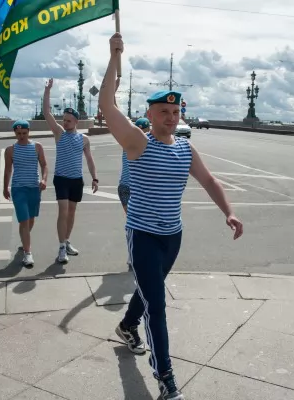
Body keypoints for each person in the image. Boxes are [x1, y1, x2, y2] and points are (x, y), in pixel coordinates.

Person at [99, 33, 244, 400]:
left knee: (150, 293)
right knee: (158, 307)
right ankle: (167, 382)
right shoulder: (137, 143)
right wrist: (115, 57)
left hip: (172, 237)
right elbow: (106, 103)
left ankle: (127, 326)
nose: (170, 117)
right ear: (149, 115)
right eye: (163, 112)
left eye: (175, 112)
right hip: (144, 235)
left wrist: (229, 212)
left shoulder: (184, 148)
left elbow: (209, 180)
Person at [43, 79, 99, 263]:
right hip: (61, 179)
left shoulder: (83, 139)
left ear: (75, 121)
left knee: (72, 212)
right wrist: (47, 91)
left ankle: (66, 241)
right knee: (63, 211)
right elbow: (46, 113)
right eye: (63, 120)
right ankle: (60, 248)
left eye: (68, 120)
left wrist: (95, 178)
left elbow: (89, 159)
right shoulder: (59, 133)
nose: (64, 123)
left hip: (77, 180)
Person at [3, 120, 48, 266]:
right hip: (18, 188)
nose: (21, 136)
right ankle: (28, 253)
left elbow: (44, 165)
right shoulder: (10, 150)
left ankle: (24, 240)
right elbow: (8, 170)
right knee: (23, 220)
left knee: (31, 219)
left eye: (24, 133)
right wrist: (5, 187)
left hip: (34, 188)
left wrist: (44, 179)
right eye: (18, 134)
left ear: (29, 132)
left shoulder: (37, 147)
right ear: (14, 133)